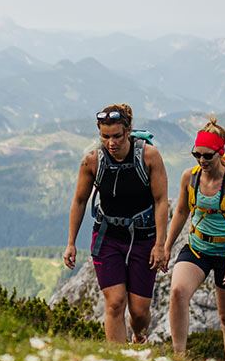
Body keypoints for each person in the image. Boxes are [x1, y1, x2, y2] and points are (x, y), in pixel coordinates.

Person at [64, 103, 170, 343]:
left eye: (117, 136)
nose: (111, 142)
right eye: (105, 137)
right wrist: (71, 242)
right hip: (108, 236)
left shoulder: (149, 156)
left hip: (143, 237)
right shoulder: (92, 161)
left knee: (140, 312)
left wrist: (160, 244)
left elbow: (161, 200)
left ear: (129, 131)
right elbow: (80, 201)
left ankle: (139, 337)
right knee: (114, 303)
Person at [165, 117, 225, 361]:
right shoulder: (189, 177)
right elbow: (181, 211)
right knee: (178, 293)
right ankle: (179, 359)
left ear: (220, 153)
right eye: (197, 155)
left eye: (207, 156)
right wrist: (166, 247)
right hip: (196, 248)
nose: (201, 161)